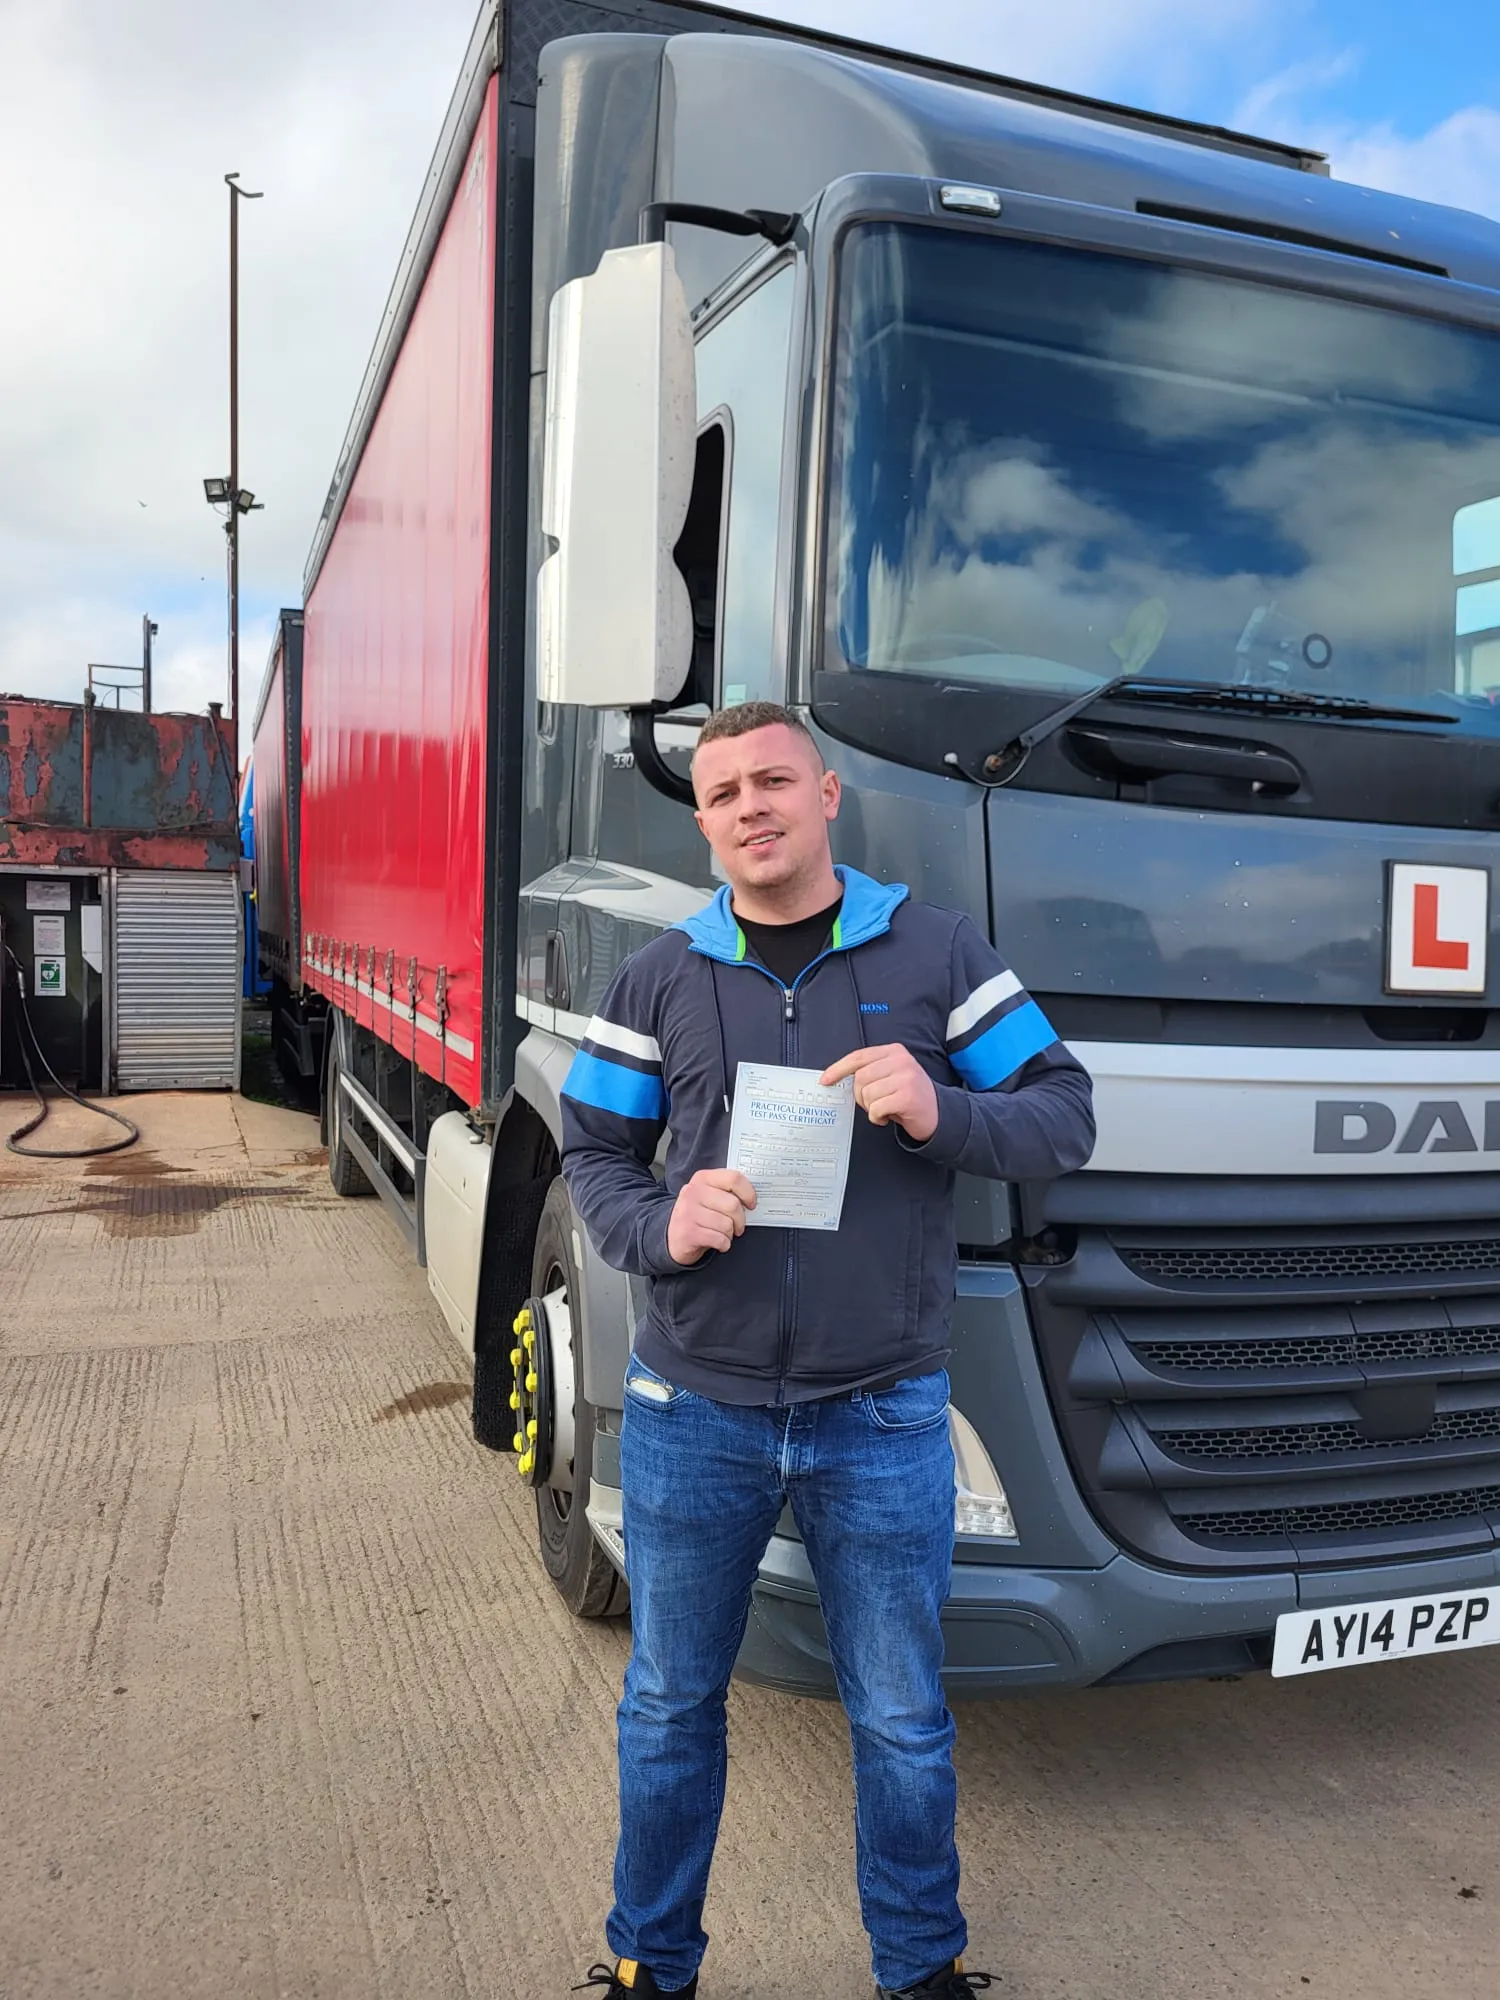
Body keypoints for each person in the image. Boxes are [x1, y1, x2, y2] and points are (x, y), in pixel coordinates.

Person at [562, 701, 1095, 1999]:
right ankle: (650, 1967)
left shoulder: (936, 953)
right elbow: (592, 1153)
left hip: (885, 1414)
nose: (752, 806)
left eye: (774, 781)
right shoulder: (659, 977)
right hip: (695, 1407)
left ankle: (921, 1970)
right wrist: (658, 1224)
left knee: (904, 1721)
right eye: (725, 790)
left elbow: (1063, 1113)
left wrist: (942, 1112)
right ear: (702, 821)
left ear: (827, 795)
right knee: (671, 1709)